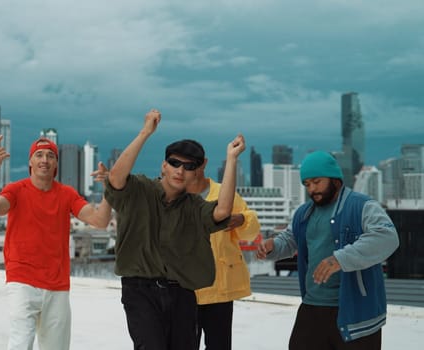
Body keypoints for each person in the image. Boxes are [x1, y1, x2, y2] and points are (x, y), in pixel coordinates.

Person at [104, 109, 246, 350]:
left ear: (197, 172)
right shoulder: (139, 189)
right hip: (140, 291)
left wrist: (231, 159)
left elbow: (222, 212)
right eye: (174, 163)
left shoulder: (194, 206)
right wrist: (145, 132)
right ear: (164, 166)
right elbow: (116, 178)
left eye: (189, 166)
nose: (180, 170)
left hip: (182, 293)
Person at [256, 151, 399, 350]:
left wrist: (340, 259)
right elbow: (289, 240)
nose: (312, 189)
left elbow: (387, 237)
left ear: (335, 179)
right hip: (312, 307)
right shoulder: (303, 213)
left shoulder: (362, 206)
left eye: (317, 181)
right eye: (307, 184)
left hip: (356, 313)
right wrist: (273, 246)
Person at [0, 135, 112, 350]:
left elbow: (100, 221)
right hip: (22, 280)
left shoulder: (67, 194)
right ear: (30, 163)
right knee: (20, 343)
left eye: (51, 156)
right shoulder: (16, 190)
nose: (45, 159)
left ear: (56, 165)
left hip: (57, 284)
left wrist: (110, 189)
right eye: (39, 155)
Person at [186, 148, 260, 350]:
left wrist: (242, 219)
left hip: (219, 288)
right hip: (183, 289)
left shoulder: (224, 193)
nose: (184, 170)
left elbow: (250, 233)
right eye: (179, 165)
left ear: (203, 164)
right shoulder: (172, 195)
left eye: (190, 164)